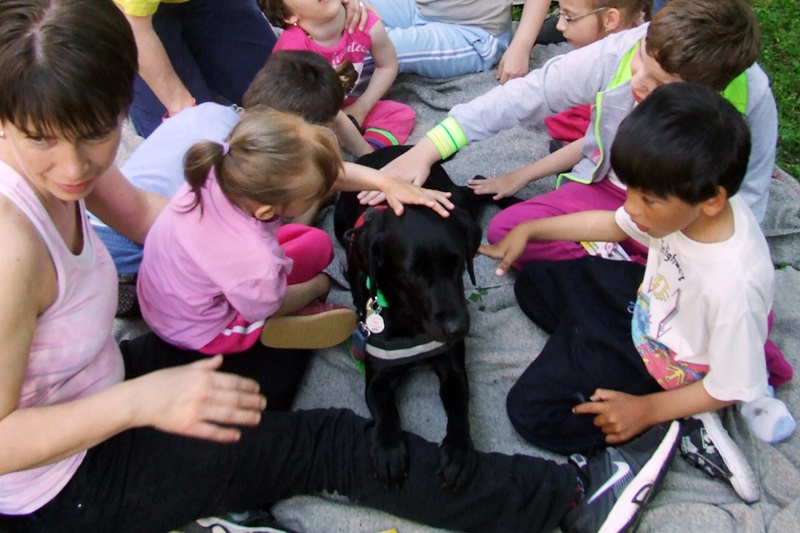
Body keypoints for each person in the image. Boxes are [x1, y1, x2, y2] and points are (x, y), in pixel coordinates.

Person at [0, 1, 683, 532]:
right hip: (62, 487)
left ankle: (226, 483)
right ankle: (568, 499)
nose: (74, 166)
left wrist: (370, 181)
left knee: (267, 355)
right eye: (41, 143)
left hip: (96, 387)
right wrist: (142, 400)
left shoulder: (77, 168)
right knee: (327, 442)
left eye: (98, 135)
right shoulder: (12, 246)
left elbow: (152, 218)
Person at [374, 0, 794, 387]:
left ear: (710, 96)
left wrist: (682, 250)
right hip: (614, 199)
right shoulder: (629, 47)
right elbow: (533, 92)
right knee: (510, 232)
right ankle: (636, 303)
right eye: (641, 62)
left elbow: (745, 204)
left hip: (681, 226)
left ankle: (630, 302)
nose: (637, 81)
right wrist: (431, 148)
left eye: (659, 84)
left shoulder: (752, 101)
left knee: (728, 312)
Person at [480, 82, 796, 505]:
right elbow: (612, 224)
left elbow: (728, 385)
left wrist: (645, 412)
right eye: (630, 189)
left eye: (645, 198)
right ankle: (585, 345)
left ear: (712, 200)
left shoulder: (733, 282)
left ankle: (670, 428)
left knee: (533, 411)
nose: (631, 206)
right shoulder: (675, 211)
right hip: (648, 308)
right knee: (535, 282)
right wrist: (532, 228)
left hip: (669, 363)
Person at [136, 107, 358, 353]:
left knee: (316, 243)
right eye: (310, 197)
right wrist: (319, 285)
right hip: (197, 327)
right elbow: (269, 305)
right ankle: (282, 326)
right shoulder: (254, 257)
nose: (318, 197)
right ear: (266, 211)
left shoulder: (220, 170)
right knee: (276, 299)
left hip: (166, 291)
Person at [471, 0, 649, 202]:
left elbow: (597, 141)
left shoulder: (626, 79)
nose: (559, 25)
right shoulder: (627, 48)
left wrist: (521, 176)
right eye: (561, 14)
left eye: (569, 17)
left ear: (611, 19)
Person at [113, 0, 367, 138]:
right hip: (133, 16)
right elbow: (137, 28)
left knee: (284, 89)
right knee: (189, 138)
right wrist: (180, 104)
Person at [262, 0, 415, 155]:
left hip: (341, 105)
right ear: (289, 16)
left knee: (401, 115)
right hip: (304, 118)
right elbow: (289, 111)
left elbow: (387, 65)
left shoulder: (364, 22)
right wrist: (357, 144)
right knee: (300, 148)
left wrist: (362, 107)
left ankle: (372, 152)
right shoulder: (293, 51)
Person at [365, 0, 553, 80]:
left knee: (374, 46)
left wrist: (521, 46)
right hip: (419, 8)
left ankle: (347, 114)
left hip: (473, 32)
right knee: (348, 14)